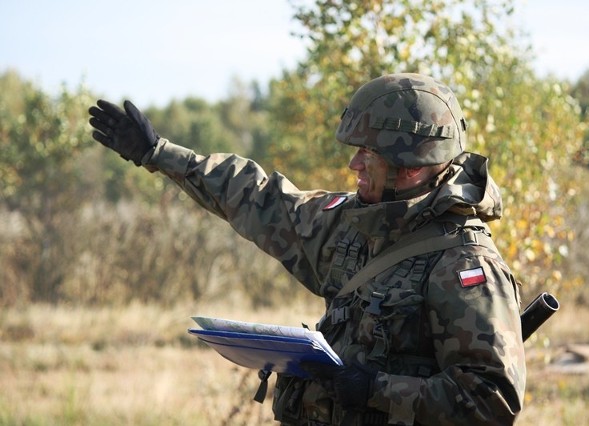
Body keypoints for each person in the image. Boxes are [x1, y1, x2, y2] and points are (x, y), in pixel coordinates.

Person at [88, 73, 526, 425]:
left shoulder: (467, 267)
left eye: (367, 154)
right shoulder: (353, 224)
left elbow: (492, 400)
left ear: (410, 163)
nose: (354, 164)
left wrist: (373, 389)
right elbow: (259, 198)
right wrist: (159, 154)